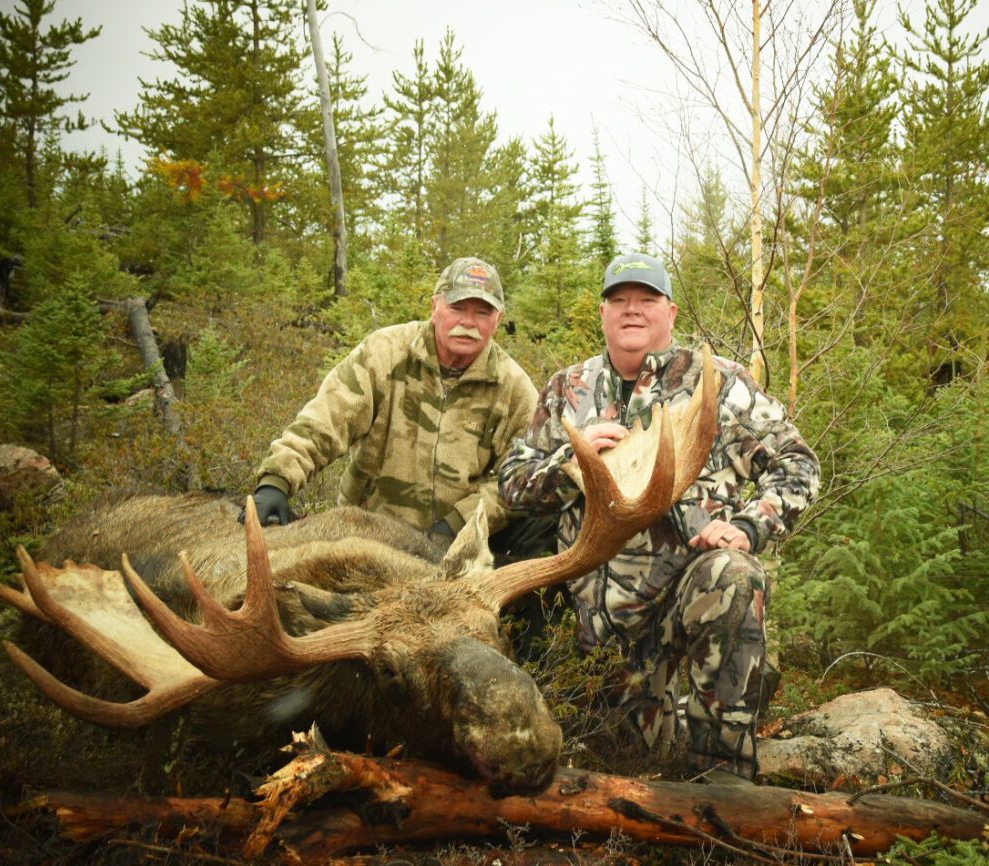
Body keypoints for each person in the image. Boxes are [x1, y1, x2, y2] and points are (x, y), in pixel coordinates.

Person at [499, 252, 820, 784]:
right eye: (619, 300)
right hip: (586, 631)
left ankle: (724, 776)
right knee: (597, 758)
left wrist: (747, 526)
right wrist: (570, 464)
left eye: (646, 300)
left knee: (732, 576)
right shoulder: (567, 389)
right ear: (602, 313)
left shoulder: (720, 383)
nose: (632, 310)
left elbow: (798, 464)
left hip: (677, 609)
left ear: (670, 312)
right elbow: (512, 483)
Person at [244, 256, 540, 555]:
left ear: (498, 320)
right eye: (457, 308)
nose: (468, 322)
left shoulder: (511, 386)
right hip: (366, 530)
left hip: (455, 541)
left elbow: (523, 477)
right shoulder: (384, 352)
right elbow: (325, 421)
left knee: (542, 526)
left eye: (482, 312)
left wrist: (460, 521)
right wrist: (276, 481)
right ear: (435, 307)